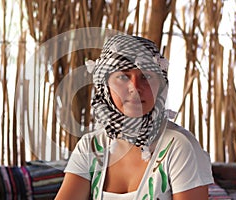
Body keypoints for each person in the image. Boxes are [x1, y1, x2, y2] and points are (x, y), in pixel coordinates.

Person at [55, 34, 213, 200]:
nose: (135, 88)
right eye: (123, 76)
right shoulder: (91, 147)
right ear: (105, 85)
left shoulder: (179, 147)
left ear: (160, 85)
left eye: (147, 77)